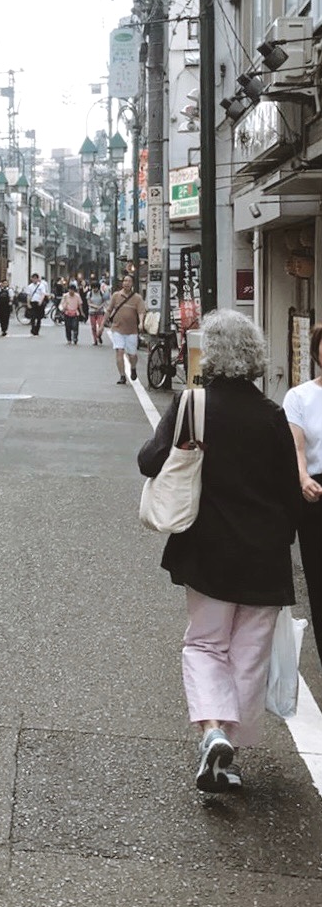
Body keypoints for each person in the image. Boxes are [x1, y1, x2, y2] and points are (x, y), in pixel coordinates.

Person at [138, 310, 299, 792]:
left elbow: (149, 460)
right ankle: (227, 751)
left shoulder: (194, 404)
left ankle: (211, 732)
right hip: (265, 555)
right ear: (254, 357)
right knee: (249, 654)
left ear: (211, 353)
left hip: (208, 549)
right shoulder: (272, 415)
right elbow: (290, 494)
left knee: (206, 643)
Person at [282, 321, 322, 668]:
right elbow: (295, 446)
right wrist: (302, 477)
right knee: (319, 582)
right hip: (315, 494)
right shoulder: (299, 396)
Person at [106, 273, 146, 383]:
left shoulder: (137, 298)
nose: (126, 283)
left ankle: (133, 368)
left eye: (129, 281)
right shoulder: (116, 295)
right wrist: (101, 325)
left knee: (132, 355)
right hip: (117, 328)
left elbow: (141, 312)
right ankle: (122, 376)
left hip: (132, 330)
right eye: (125, 281)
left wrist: (141, 323)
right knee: (119, 351)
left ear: (132, 283)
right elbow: (109, 310)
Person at [60, 280, 84, 345]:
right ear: (68, 290)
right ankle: (69, 339)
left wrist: (82, 312)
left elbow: (80, 304)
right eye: (70, 290)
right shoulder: (65, 296)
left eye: (73, 290)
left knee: (75, 326)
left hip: (75, 313)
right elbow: (62, 304)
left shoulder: (77, 296)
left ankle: (75, 338)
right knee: (68, 327)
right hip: (67, 313)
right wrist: (63, 309)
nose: (71, 291)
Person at [89, 278, 109, 346]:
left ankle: (99, 335)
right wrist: (95, 306)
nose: (95, 289)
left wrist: (100, 307)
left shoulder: (101, 293)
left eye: (96, 288)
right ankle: (95, 340)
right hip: (92, 312)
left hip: (100, 312)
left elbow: (104, 301)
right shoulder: (90, 293)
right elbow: (88, 303)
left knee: (101, 325)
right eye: (93, 288)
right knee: (93, 327)